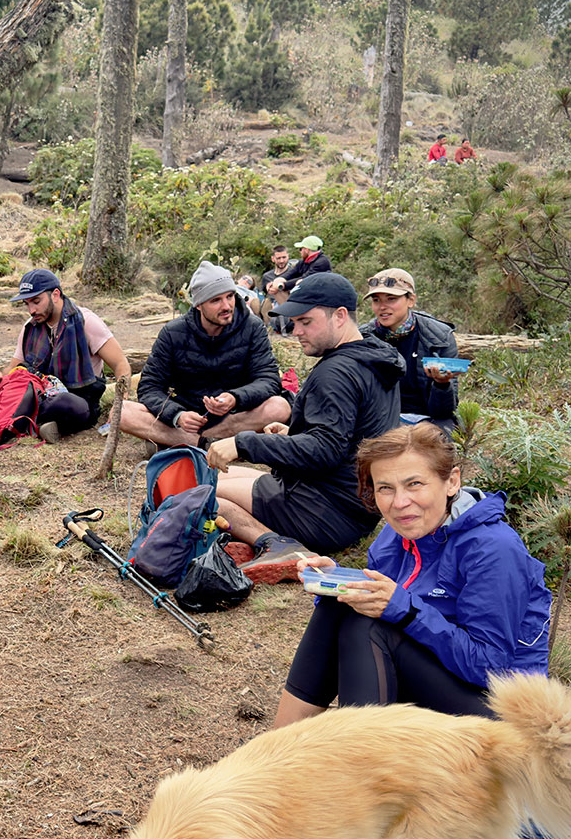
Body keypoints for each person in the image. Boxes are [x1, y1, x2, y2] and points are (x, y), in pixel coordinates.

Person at [276, 424, 551, 725]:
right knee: (339, 605)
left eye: (415, 484)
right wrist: (334, 579)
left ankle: (362, 766)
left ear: (451, 482)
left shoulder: (492, 549)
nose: (399, 502)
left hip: (505, 715)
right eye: (385, 488)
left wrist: (406, 611)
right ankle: (276, 753)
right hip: (437, 680)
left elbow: (491, 668)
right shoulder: (395, 538)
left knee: (367, 626)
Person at [204, 272, 403, 577]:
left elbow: (325, 450)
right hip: (353, 505)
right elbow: (350, 437)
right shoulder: (373, 357)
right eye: (294, 322)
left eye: (306, 321)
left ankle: (275, 545)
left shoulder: (336, 372)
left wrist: (243, 442)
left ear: (339, 316)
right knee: (210, 475)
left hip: (322, 510)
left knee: (201, 494)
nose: (295, 330)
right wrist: (293, 434)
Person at [119, 262, 291, 450]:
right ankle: (205, 443)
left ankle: (180, 440)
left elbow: (269, 379)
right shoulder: (173, 333)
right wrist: (177, 415)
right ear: (199, 305)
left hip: (235, 415)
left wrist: (235, 398)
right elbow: (149, 386)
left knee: (280, 407)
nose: (227, 306)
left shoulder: (252, 327)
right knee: (121, 411)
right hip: (187, 414)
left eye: (230, 296)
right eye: (216, 300)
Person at [0, 269, 132, 442]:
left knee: (67, 403)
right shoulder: (30, 326)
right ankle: (38, 425)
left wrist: (121, 404)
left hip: (75, 398)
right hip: (37, 395)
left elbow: (121, 364)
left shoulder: (86, 321)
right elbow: (14, 367)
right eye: (27, 303)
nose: (31, 310)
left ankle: (4, 419)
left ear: (55, 294)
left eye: (36, 301)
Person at [360, 268, 460, 431]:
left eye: (391, 299)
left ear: (411, 300)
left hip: (430, 420)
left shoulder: (440, 337)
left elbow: (444, 412)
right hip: (380, 420)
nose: (382, 307)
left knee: (436, 443)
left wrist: (442, 385)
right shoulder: (363, 338)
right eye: (376, 300)